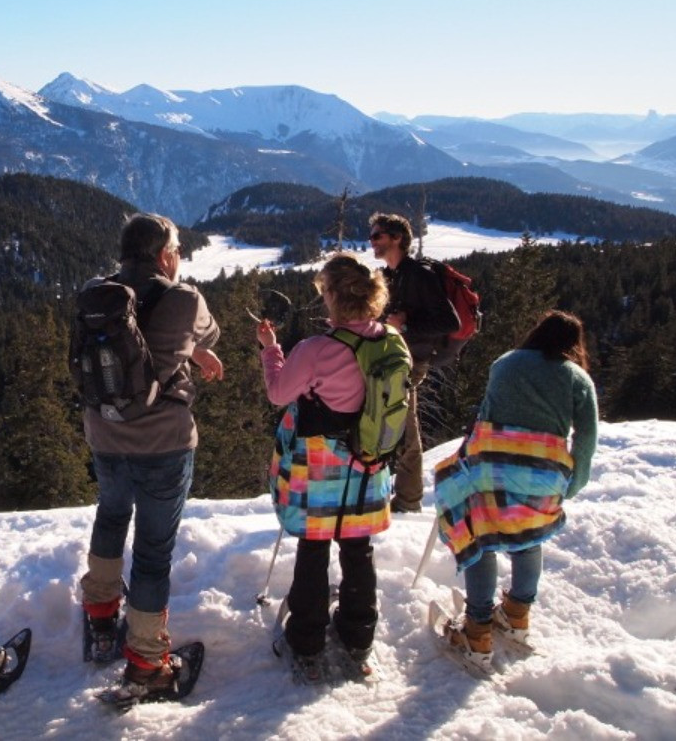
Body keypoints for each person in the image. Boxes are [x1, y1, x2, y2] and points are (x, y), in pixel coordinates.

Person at [79, 213, 223, 701]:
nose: (178, 258)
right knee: (154, 550)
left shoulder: (95, 293)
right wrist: (194, 353)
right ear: (164, 255)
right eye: (177, 250)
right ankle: (145, 661)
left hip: (105, 433)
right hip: (163, 442)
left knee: (111, 515)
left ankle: (100, 623)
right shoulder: (184, 298)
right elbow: (211, 335)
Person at [257, 252, 402, 681]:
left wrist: (270, 351)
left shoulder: (317, 350)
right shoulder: (390, 340)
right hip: (371, 462)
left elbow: (279, 392)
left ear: (334, 297)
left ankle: (306, 641)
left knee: (315, 547)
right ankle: (358, 636)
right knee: (359, 547)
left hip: (323, 463)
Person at [434, 310, 599, 670]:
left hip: (491, 466)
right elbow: (586, 437)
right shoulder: (578, 379)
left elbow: (484, 416)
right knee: (528, 538)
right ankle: (516, 615)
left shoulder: (506, 363)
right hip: (544, 473)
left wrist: (464, 461)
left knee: (482, 540)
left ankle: (477, 632)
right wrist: (573, 483)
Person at [368, 212, 459, 513]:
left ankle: (407, 501)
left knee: (402, 428)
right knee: (389, 425)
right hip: (395, 359)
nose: (372, 241)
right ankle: (396, 496)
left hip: (411, 361)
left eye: (378, 235)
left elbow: (449, 321)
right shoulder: (394, 276)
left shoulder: (418, 274)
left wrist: (406, 327)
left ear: (397, 238)